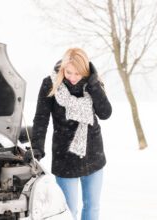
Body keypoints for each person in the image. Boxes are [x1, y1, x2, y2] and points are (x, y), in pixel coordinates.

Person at [27, 48, 112, 220]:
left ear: (86, 71)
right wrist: (37, 147)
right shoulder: (50, 84)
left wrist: (95, 87)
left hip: (92, 152)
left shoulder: (93, 84)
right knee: (69, 210)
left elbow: (105, 113)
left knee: (92, 207)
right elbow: (41, 118)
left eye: (78, 73)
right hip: (64, 155)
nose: (72, 78)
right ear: (63, 68)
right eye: (68, 72)